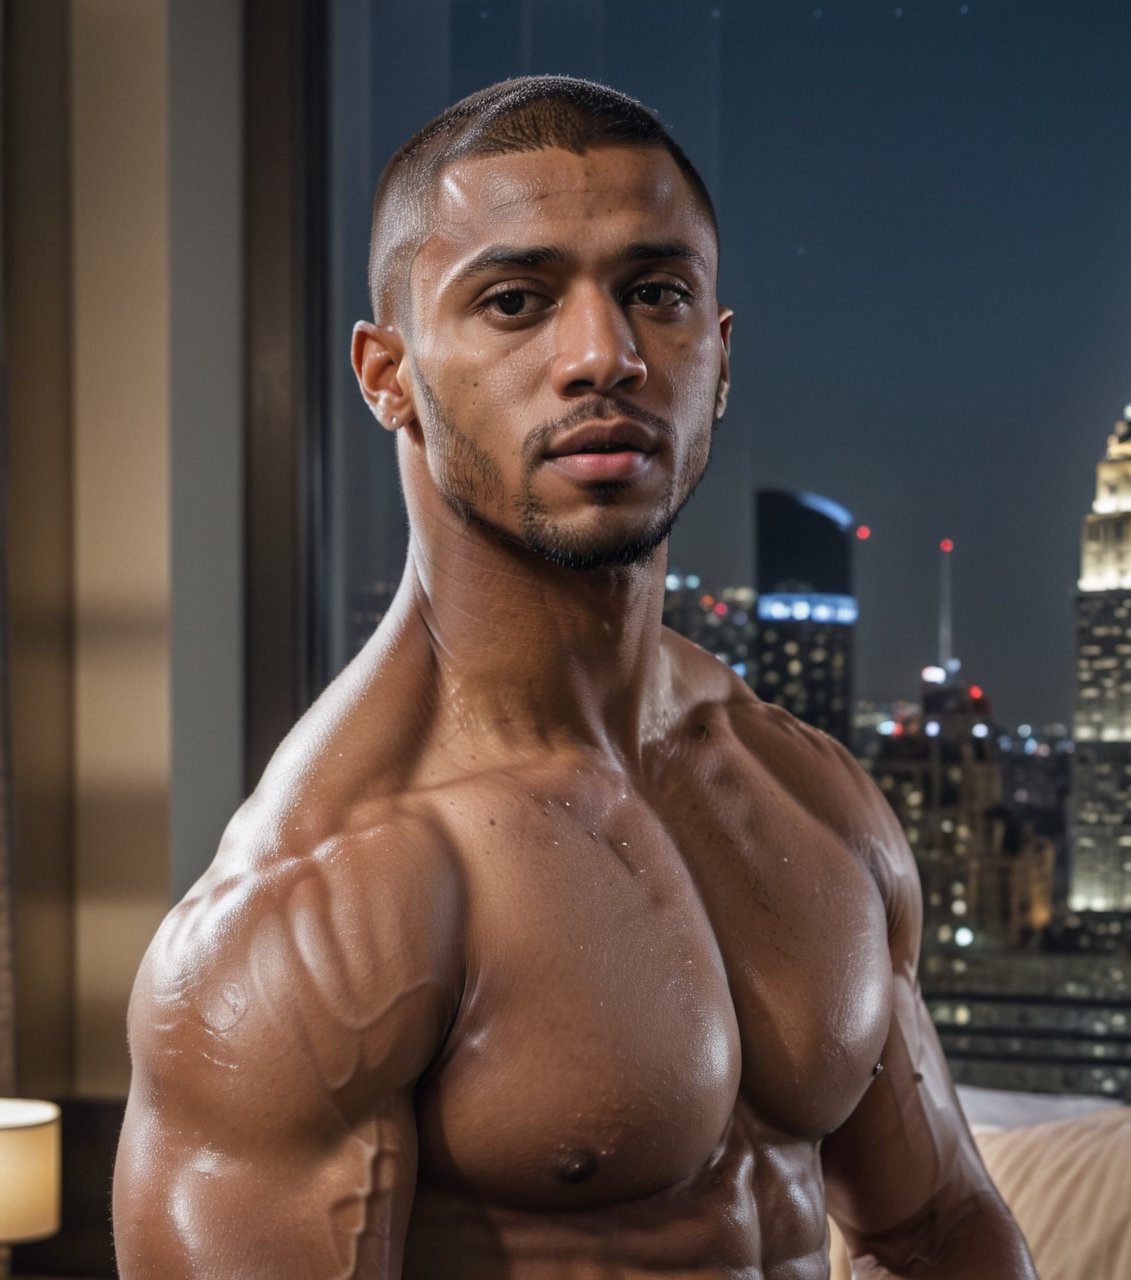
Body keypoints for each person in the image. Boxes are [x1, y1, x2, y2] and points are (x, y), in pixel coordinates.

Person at [113, 76, 1037, 1279]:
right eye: (514, 300)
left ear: (716, 356)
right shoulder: (322, 905)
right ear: (386, 373)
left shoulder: (808, 793)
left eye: (655, 294)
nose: (602, 355)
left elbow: (938, 1230)